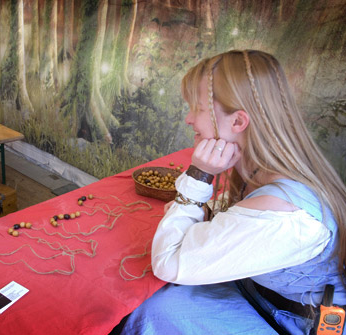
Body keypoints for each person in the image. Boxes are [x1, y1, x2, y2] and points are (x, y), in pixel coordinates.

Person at [119, 50, 346, 335]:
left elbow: (167, 262)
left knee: (153, 310)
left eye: (198, 108)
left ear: (238, 122)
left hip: (294, 322)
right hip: (262, 296)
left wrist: (199, 175)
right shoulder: (264, 173)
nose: (189, 119)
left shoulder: (282, 215)